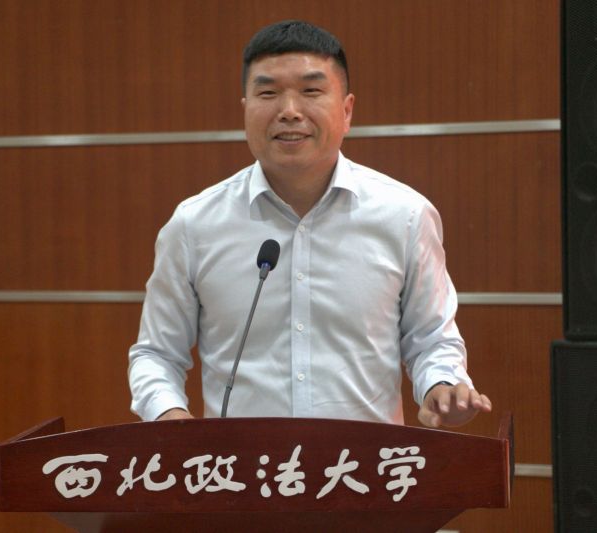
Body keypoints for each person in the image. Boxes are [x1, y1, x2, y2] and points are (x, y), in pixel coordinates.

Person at [128, 20, 491, 428]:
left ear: (347, 111)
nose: (289, 111)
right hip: (242, 467)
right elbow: (156, 355)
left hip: (364, 464)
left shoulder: (404, 215)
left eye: (311, 91)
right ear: (245, 109)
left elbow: (432, 340)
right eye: (268, 93)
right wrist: (171, 417)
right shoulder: (195, 225)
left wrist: (442, 385)